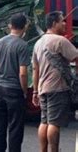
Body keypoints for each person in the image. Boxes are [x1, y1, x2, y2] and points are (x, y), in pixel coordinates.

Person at [32, 11, 78, 152]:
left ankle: (43, 150)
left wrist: (35, 91)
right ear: (54, 23)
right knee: (54, 123)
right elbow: (76, 57)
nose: (64, 24)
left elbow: (35, 69)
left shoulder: (38, 43)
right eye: (62, 21)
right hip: (57, 88)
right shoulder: (60, 41)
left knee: (44, 121)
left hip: (42, 88)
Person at [0, 13, 30, 152]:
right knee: (15, 127)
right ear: (25, 26)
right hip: (14, 89)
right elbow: (23, 73)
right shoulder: (22, 45)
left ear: (10, 26)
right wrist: (25, 90)